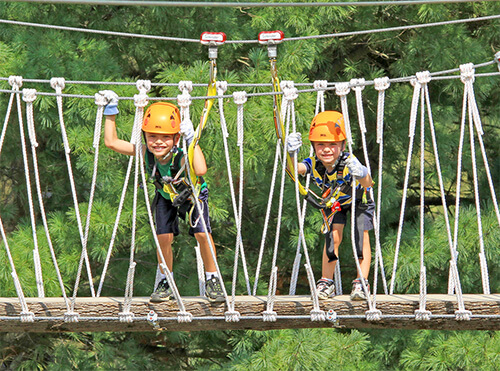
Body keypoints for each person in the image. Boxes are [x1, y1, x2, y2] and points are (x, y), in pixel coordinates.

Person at [101, 90, 224, 303]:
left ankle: (212, 278)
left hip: (192, 196)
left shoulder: (183, 153)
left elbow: (201, 169)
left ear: (175, 138)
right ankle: (165, 279)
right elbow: (112, 142)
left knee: (202, 235)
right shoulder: (145, 153)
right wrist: (110, 110)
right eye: (152, 137)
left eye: (166, 137)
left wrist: (192, 140)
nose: (158, 142)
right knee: (163, 238)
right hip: (166, 196)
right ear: (145, 137)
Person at [286, 110, 375, 301]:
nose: (326, 149)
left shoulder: (349, 160)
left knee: (360, 238)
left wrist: (360, 172)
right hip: (334, 202)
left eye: (332, 145)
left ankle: (362, 281)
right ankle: (326, 282)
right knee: (332, 238)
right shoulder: (314, 163)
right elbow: (295, 170)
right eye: (321, 145)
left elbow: (368, 183)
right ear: (314, 146)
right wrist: (290, 154)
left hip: (359, 199)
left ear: (342, 145)